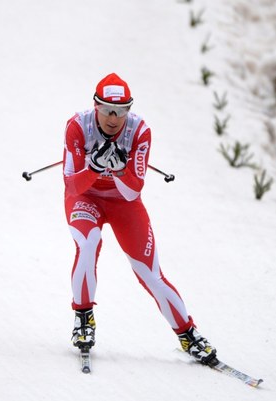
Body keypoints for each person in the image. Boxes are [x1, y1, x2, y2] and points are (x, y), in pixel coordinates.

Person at [62, 72, 217, 365]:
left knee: (150, 272)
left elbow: (133, 192)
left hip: (123, 203)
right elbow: (71, 185)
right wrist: (95, 167)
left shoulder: (140, 131)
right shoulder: (77, 127)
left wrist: (120, 170)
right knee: (88, 243)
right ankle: (83, 317)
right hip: (86, 198)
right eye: (107, 109)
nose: (113, 118)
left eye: (121, 111)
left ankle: (188, 334)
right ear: (95, 106)